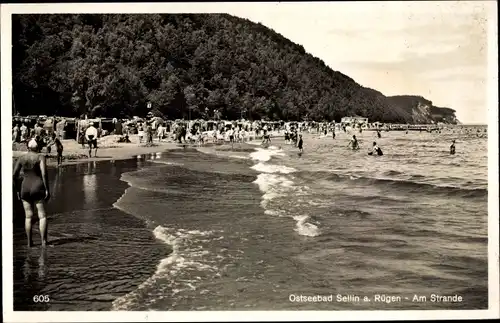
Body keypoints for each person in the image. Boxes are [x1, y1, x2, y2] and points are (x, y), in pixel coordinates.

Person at [13, 139, 50, 247]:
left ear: (28, 147)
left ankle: (29, 243)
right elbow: (43, 173)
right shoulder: (40, 157)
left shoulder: (21, 158)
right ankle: (44, 242)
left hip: (25, 187)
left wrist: (17, 190)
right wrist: (47, 189)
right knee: (42, 216)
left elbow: (14, 176)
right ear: (37, 147)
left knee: (28, 217)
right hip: (37, 186)